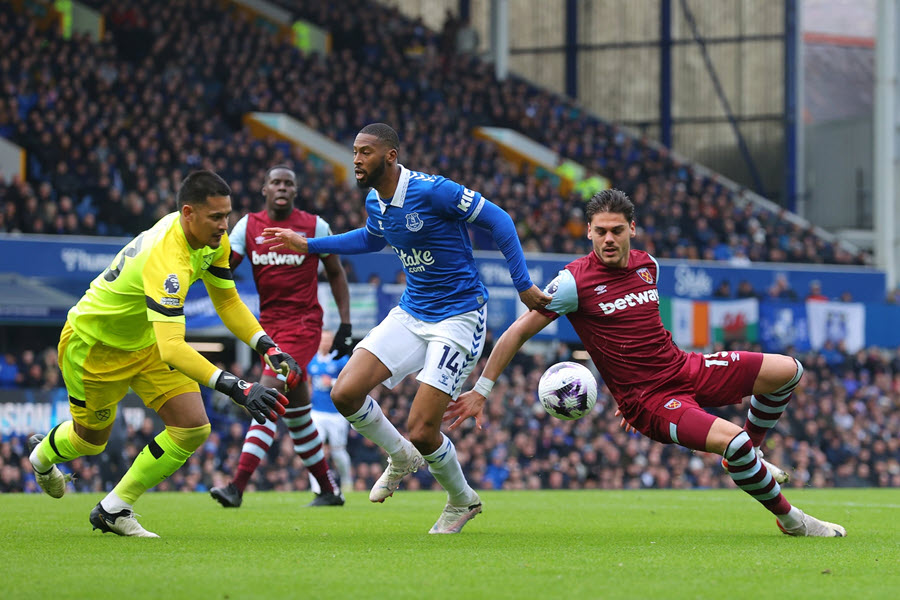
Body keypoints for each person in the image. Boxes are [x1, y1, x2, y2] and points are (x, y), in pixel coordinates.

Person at [447, 189, 846, 538]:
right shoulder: (573, 282)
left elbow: (641, 330)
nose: (607, 238)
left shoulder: (648, 265)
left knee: (789, 372)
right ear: (588, 232)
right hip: (649, 401)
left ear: (631, 229)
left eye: (616, 230)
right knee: (734, 440)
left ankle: (752, 456)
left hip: (684, 367)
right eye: (600, 231)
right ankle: (793, 520)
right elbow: (516, 332)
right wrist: (482, 389)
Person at [263, 123, 551, 534]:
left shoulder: (434, 191)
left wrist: (523, 285)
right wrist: (308, 245)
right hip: (412, 311)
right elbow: (370, 238)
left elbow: (500, 220)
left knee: (422, 428)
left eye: (365, 152)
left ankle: (461, 500)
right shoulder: (374, 202)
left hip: (459, 316)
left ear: (391, 156)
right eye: (355, 152)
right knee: (344, 391)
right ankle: (400, 456)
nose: (357, 159)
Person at [27, 170, 294, 537]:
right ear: (189, 213)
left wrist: (266, 345)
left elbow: (228, 299)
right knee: (90, 441)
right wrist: (238, 387)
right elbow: (173, 347)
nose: (224, 225)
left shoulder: (212, 241)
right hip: (94, 347)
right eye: (216, 217)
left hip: (145, 341)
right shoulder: (166, 257)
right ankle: (42, 458)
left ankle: (114, 508)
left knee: (192, 428)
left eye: (227, 215)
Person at [209, 165, 352, 508]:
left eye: (289, 182)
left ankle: (237, 486)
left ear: (295, 190)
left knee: (267, 394)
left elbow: (335, 271)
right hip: (268, 327)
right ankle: (329, 490)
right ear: (265, 188)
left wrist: (345, 324)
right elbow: (224, 265)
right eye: (276, 182)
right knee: (298, 414)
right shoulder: (248, 226)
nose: (282, 187)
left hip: (303, 326)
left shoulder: (314, 226)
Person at [307, 330, 353, 494]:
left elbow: (350, 381)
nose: (325, 343)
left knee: (338, 451)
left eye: (328, 340)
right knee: (314, 448)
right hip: (317, 412)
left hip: (336, 413)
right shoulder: (311, 360)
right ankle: (317, 486)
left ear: (332, 342)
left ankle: (346, 479)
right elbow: (309, 381)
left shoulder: (340, 359)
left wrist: (332, 382)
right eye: (322, 340)